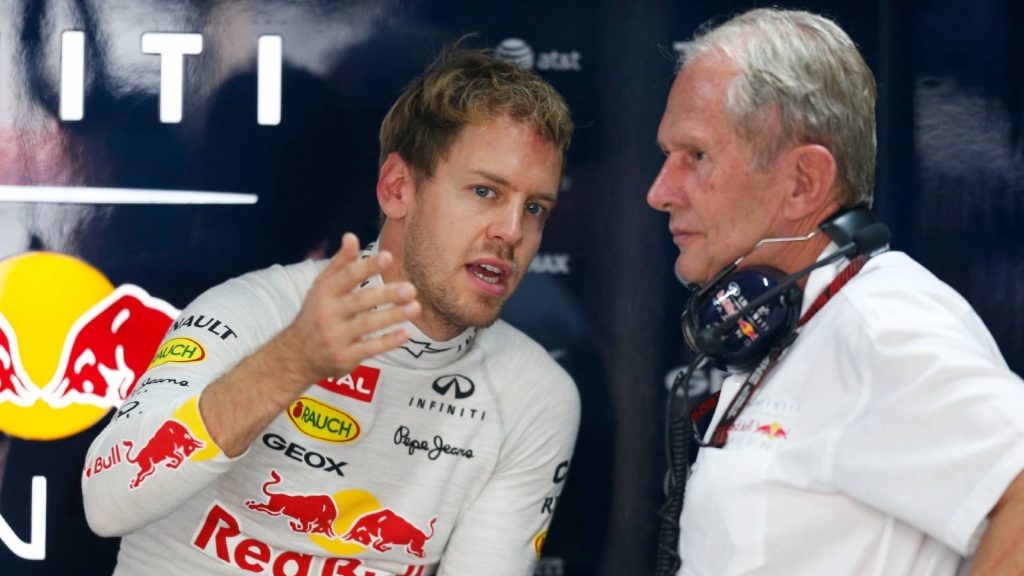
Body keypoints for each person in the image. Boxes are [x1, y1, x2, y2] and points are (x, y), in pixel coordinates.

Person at [82, 47, 580, 576]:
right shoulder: (251, 311)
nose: (512, 231)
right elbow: (106, 502)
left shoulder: (535, 395)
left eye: (534, 208)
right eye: (485, 191)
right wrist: (292, 361)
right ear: (397, 188)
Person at [647, 8, 1024, 576]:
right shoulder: (800, 320)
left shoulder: (879, 321)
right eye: (666, 157)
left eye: (696, 156)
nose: (660, 191)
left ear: (803, 183)